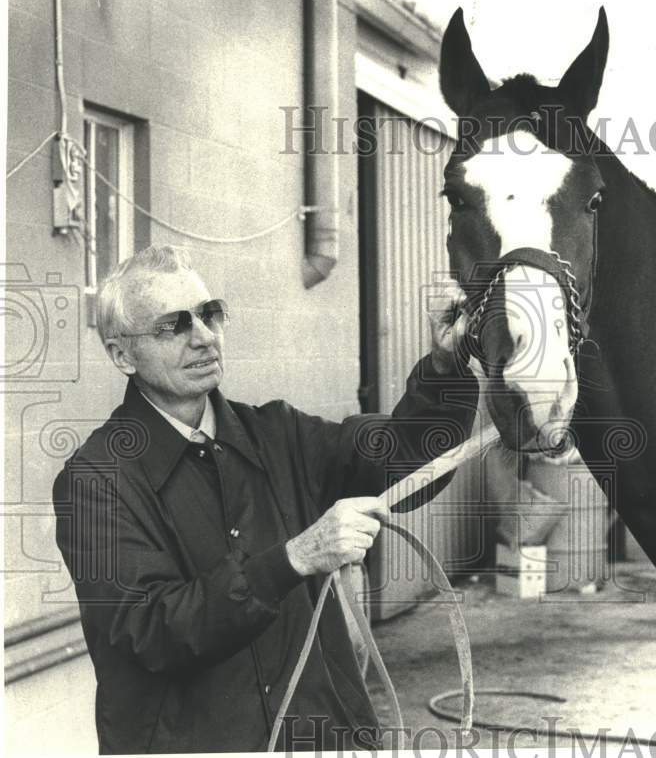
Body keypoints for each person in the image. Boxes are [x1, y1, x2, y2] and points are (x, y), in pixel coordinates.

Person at [52, 245, 479, 754]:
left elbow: (404, 457)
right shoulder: (95, 479)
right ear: (123, 355)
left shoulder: (279, 434)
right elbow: (151, 632)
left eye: (210, 315)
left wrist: (444, 366)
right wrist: (293, 559)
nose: (205, 337)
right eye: (174, 325)